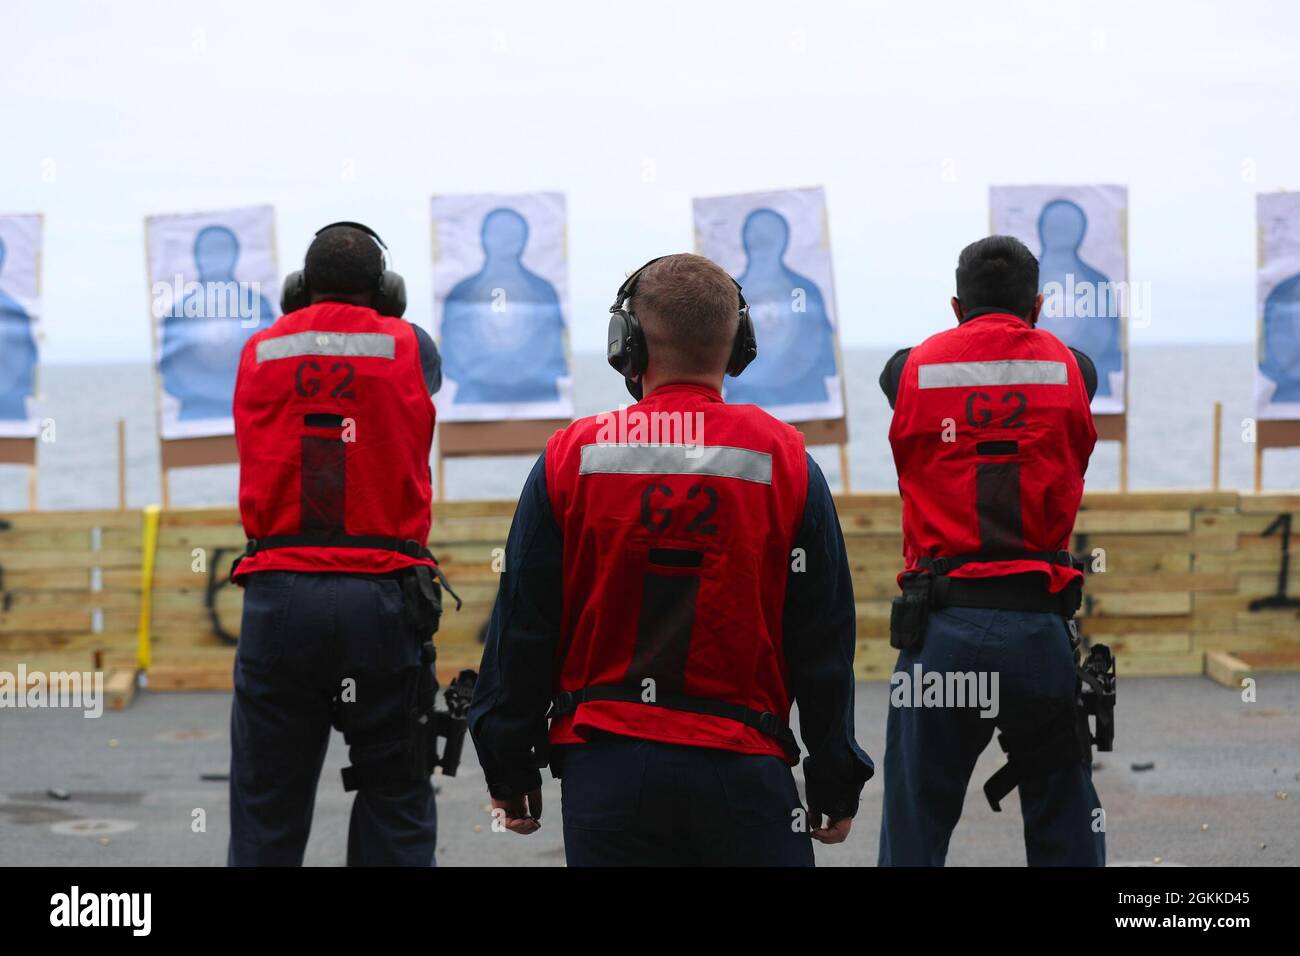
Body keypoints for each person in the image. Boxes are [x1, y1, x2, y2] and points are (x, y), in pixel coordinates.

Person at [469, 253, 873, 866]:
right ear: (739, 345)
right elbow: (822, 635)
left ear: (625, 345)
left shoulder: (571, 455)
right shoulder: (785, 458)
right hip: (746, 770)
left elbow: (524, 625)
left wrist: (509, 767)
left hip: (605, 772)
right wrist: (834, 777)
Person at [876, 235, 1105, 867]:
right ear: (1037, 305)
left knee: (914, 825)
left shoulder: (908, 369)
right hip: (1038, 629)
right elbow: (1075, 371)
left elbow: (899, 369)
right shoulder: (1074, 370)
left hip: (941, 630)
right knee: (1065, 822)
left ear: (955, 307)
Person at [227, 222, 448, 866]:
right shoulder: (412, 346)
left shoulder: (259, 351)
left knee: (267, 809)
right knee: (398, 796)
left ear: (300, 286)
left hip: (279, 599)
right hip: (382, 601)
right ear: (387, 290)